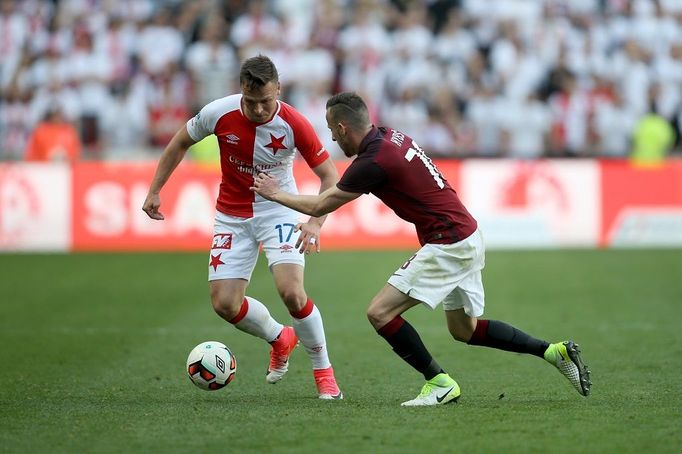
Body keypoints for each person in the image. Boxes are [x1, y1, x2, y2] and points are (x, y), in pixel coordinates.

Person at [251, 91, 591, 406]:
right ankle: (554, 352)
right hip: (466, 234)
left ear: (343, 127)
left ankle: (439, 383)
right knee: (464, 330)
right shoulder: (388, 136)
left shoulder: (373, 161)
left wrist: (275, 193)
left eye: (332, 131)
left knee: (379, 312)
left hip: (450, 242)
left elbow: (321, 203)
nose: (333, 139)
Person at [142, 55, 343, 400]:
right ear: (241, 92)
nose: (259, 110)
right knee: (224, 304)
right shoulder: (218, 112)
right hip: (231, 216)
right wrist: (155, 189)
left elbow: (329, 176)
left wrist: (314, 222)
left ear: (278, 89)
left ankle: (324, 372)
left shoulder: (294, 123)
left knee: (292, 293)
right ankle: (280, 337)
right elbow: (179, 142)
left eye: (266, 101)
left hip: (278, 210)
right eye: (251, 102)